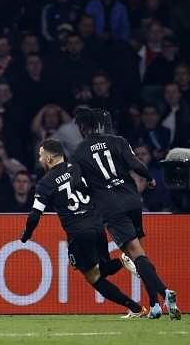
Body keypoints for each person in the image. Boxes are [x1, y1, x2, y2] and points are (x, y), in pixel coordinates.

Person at [68, 109, 181, 320]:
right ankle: (154, 304)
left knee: (135, 254)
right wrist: (149, 178)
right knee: (138, 253)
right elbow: (135, 163)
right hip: (132, 200)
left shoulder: (78, 152)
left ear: (83, 127)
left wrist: (93, 192)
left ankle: (165, 292)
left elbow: (74, 183)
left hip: (111, 207)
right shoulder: (117, 140)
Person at [20, 138, 147, 317]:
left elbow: (35, 214)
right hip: (97, 225)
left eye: (41, 156)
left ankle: (135, 307)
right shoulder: (80, 168)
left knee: (93, 277)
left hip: (79, 232)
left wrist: (26, 234)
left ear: (48, 158)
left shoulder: (45, 182)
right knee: (101, 269)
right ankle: (121, 262)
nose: (40, 160)